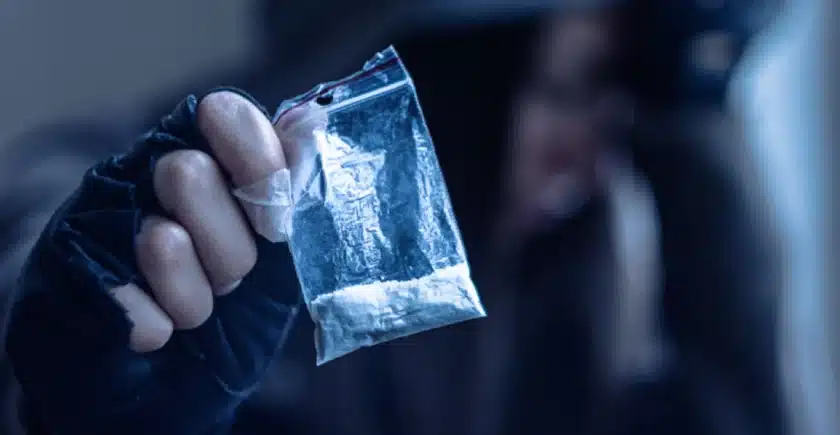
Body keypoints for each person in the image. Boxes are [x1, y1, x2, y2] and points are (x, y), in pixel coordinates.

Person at [0, 3, 788, 435]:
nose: (591, 158)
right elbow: (33, 263)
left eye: (623, 114)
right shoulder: (113, 199)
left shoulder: (563, 326)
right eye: (565, 89)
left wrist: (694, 127)